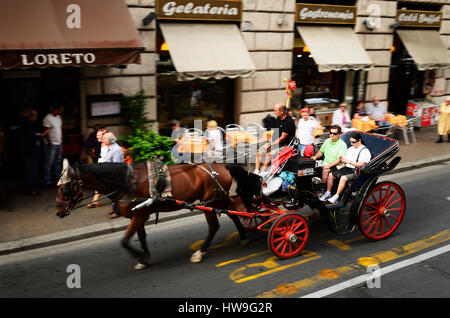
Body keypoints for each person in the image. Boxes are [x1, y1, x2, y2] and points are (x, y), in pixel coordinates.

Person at [321, 133, 371, 203]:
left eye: (353, 142)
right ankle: (328, 193)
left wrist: (348, 162)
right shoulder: (350, 149)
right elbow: (345, 161)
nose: (351, 144)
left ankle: (336, 196)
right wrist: (342, 159)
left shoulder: (364, 151)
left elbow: (360, 164)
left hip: (356, 170)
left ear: (359, 140)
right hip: (347, 168)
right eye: (350, 142)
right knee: (330, 175)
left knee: (343, 178)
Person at [254, 103, 296, 175]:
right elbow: (275, 133)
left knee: (269, 155)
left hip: (286, 146)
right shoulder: (278, 118)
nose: (274, 112)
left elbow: (282, 138)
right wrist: (269, 143)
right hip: (276, 143)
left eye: (276, 111)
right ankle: (256, 171)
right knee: (259, 152)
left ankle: (263, 173)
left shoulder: (289, 121)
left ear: (282, 111)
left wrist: (270, 145)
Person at [102, 132, 124, 219]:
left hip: (115, 175)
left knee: (116, 194)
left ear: (109, 141)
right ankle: (114, 209)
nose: (103, 140)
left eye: (104, 139)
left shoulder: (116, 150)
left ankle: (117, 212)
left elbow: (116, 165)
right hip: (110, 174)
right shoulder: (110, 148)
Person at [20, 108, 42, 196]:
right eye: (35, 115)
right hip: (30, 151)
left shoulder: (31, 124)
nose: (36, 117)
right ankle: (31, 189)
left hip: (31, 151)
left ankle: (31, 188)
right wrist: (40, 135)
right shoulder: (26, 125)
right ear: (31, 116)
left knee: (32, 170)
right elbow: (32, 137)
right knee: (31, 170)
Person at [41, 105, 64, 185]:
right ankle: (47, 180)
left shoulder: (58, 117)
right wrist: (50, 142)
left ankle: (57, 178)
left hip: (59, 143)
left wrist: (61, 141)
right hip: (51, 144)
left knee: (58, 161)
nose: (62, 112)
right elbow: (46, 131)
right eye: (60, 110)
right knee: (49, 162)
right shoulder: (47, 118)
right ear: (55, 109)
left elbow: (59, 129)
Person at [87, 128, 108, 209]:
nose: (97, 137)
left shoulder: (108, 144)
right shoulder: (99, 144)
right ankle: (95, 201)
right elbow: (97, 155)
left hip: (107, 167)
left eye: (99, 135)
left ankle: (95, 201)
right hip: (101, 166)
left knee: (99, 183)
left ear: (104, 136)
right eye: (97, 135)